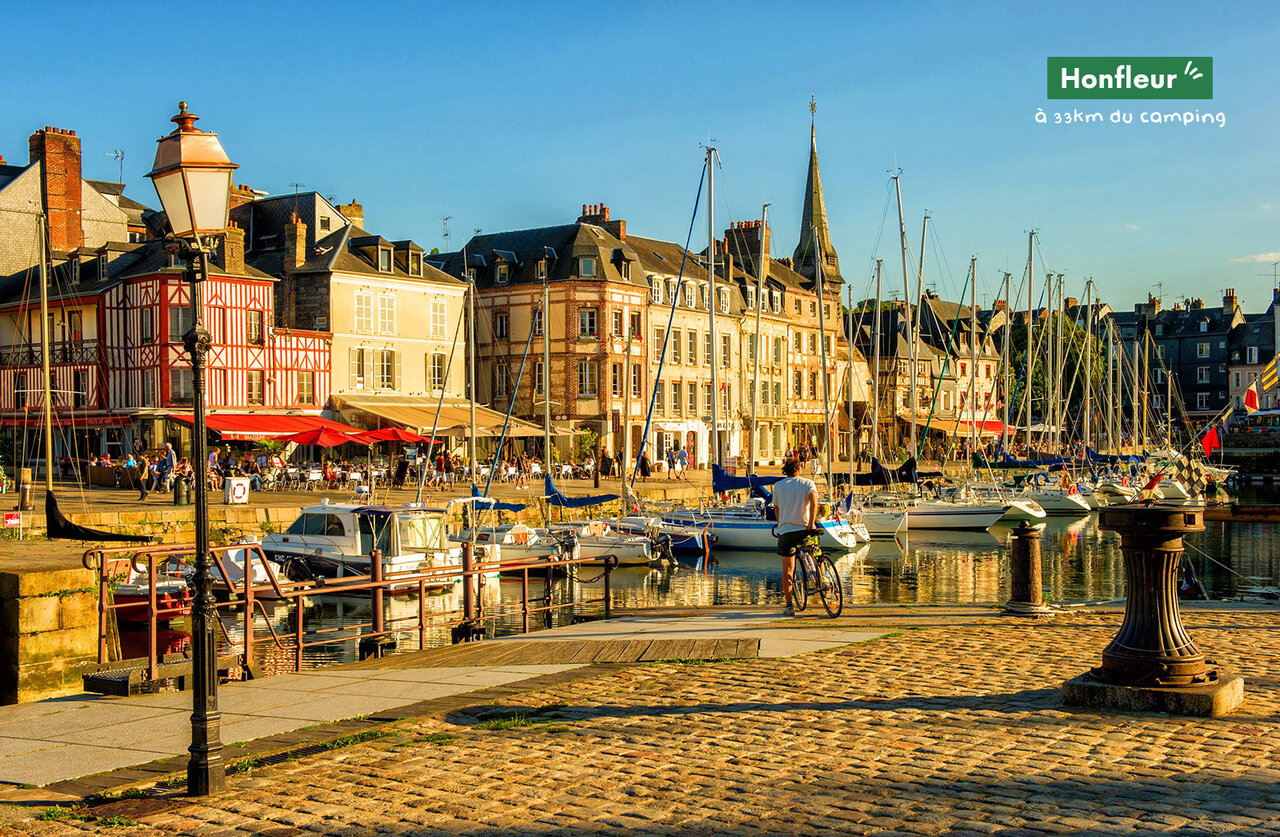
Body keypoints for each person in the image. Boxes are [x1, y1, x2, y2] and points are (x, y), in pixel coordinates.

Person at [772, 457, 820, 617]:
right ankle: (822, 577)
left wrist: (781, 525)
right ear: (799, 469)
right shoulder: (807, 483)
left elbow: (777, 509)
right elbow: (814, 502)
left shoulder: (778, 486)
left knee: (787, 570)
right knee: (815, 550)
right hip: (803, 530)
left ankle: (788, 605)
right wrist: (811, 524)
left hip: (786, 533)